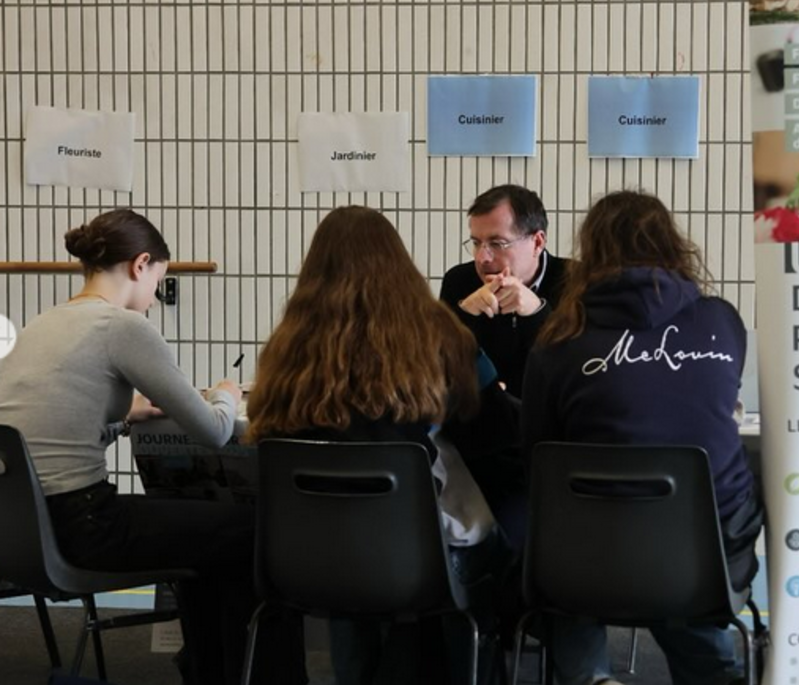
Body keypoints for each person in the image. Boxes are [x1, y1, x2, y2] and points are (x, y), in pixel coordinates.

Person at [0, 209, 306, 685]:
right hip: (84, 525)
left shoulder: (44, 324)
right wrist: (226, 390)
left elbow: (43, 436)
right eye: (157, 281)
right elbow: (214, 430)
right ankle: (260, 676)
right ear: (141, 265)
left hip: (24, 528)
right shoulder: (123, 326)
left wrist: (124, 419)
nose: (151, 300)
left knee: (207, 541)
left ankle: (208, 670)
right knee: (253, 530)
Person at [246, 205, 509, 685]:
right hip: (417, 561)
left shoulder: (288, 347)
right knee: (499, 541)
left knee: (354, 559)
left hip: (307, 558)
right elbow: (494, 429)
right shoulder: (440, 334)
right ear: (399, 264)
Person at [521, 191, 764, 685]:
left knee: (561, 536)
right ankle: (711, 669)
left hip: (587, 563)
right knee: (687, 544)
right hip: (705, 560)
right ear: (672, 244)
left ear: (592, 251)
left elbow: (537, 455)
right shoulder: (721, 321)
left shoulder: (559, 339)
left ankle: (589, 677)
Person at [440, 185, 569, 398]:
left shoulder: (577, 281)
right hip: (480, 419)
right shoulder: (459, 281)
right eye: (476, 243)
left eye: (497, 244)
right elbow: (436, 369)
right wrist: (463, 315)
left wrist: (537, 313)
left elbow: (581, 369)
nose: (482, 258)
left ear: (537, 242)